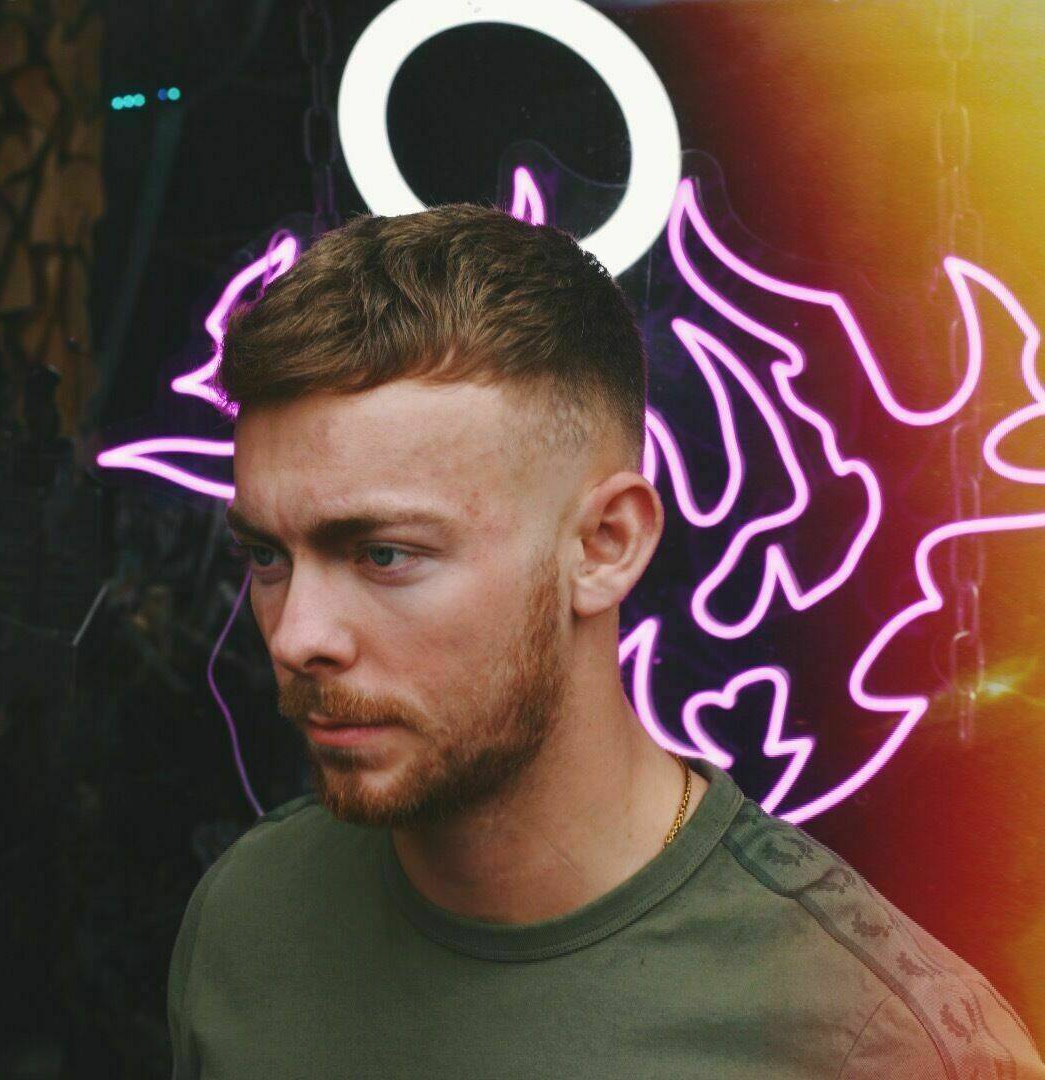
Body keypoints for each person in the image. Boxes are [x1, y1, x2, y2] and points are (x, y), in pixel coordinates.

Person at [167, 205, 1044, 1079]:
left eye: (384, 554)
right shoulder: (250, 917)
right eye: (267, 555)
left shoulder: (871, 1041)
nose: (298, 635)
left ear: (604, 545)